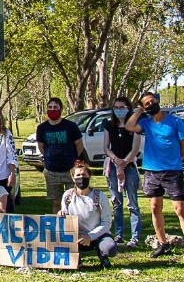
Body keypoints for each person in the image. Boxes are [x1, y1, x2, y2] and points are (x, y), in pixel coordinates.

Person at [125, 91, 184, 258]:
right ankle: (163, 244)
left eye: (152, 102)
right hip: (152, 171)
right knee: (155, 207)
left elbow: (182, 145)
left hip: (172, 171)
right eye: (146, 104)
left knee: (180, 209)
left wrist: (176, 160)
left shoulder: (176, 122)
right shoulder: (146, 123)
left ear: (157, 101)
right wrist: (139, 111)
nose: (151, 105)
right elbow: (129, 126)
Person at [59, 161, 117, 269]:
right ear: (73, 177)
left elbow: (107, 222)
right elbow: (65, 217)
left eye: (84, 175)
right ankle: (76, 258)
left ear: (89, 176)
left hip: (97, 235)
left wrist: (90, 236)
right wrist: (61, 214)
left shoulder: (100, 196)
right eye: (78, 175)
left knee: (110, 248)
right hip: (75, 236)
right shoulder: (67, 196)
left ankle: (103, 256)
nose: (81, 177)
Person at [103, 96, 142, 248]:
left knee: (132, 203)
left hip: (129, 166)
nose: (119, 110)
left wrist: (124, 164)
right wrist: (115, 161)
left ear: (128, 108)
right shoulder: (109, 125)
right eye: (116, 107)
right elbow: (106, 147)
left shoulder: (135, 126)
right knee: (116, 203)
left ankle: (135, 237)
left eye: (122, 107)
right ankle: (119, 234)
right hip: (113, 166)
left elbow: (135, 149)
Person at [35, 97, 83, 214]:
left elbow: (79, 145)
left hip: (70, 169)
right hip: (51, 171)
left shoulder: (70, 126)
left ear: (60, 109)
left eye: (55, 107)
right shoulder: (42, 128)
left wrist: (75, 159)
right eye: (50, 107)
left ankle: (75, 226)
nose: (52, 109)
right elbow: (41, 146)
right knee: (56, 201)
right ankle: (57, 225)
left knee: (74, 200)